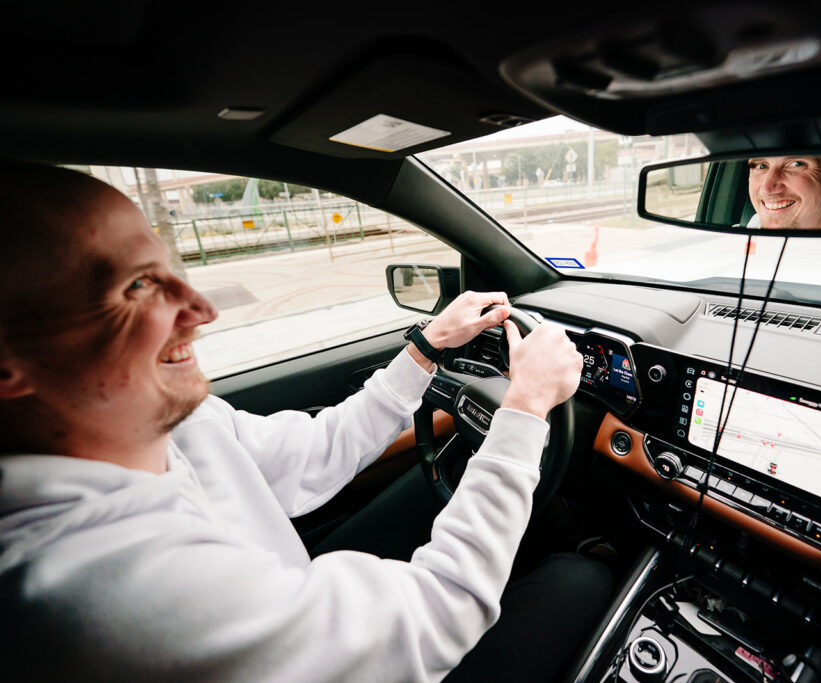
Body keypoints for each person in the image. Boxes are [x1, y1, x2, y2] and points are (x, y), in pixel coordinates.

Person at [0, 161, 610, 681]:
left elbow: (316, 452)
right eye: (137, 286)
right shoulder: (102, 583)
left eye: (170, 271)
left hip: (291, 606)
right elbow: (437, 614)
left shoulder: (167, 423)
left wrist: (427, 346)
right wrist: (526, 407)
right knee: (581, 580)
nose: (201, 311)